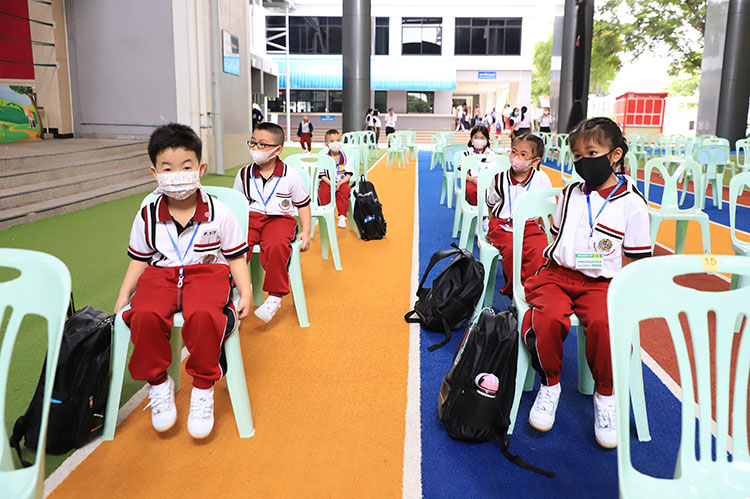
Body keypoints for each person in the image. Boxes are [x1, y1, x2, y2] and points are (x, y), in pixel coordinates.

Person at [114, 123, 252, 439]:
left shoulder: (220, 212)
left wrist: (245, 292)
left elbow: (235, 257)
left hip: (207, 276)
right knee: (143, 314)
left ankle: (203, 387)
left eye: (186, 167)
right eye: (168, 168)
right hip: (160, 276)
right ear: (155, 173)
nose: (177, 175)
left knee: (204, 315)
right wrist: (124, 294)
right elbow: (139, 259)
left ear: (200, 169)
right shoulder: (147, 214)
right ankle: (159, 383)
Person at [521, 117, 651, 449]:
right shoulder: (569, 193)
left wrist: (623, 295)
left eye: (591, 153)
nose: (583, 162)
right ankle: (550, 384)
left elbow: (636, 260)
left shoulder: (633, 203)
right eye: (577, 156)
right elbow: (557, 235)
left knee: (606, 324)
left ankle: (605, 396)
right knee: (547, 317)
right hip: (558, 275)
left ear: (615, 154)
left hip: (602, 282)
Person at [233, 122, 312, 324]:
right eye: (252, 143)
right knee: (235, 246)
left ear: (277, 150)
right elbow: (237, 204)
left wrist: (306, 231)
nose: (255, 148)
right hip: (250, 218)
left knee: (276, 245)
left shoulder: (290, 175)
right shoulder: (243, 174)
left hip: (280, 219)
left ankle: (275, 296)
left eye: (262, 144)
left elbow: (303, 204)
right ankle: (232, 290)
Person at [486, 133, 552, 297]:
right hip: (502, 224)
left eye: (523, 155)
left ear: (535, 161)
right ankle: (514, 289)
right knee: (511, 248)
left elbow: (548, 206)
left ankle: (530, 287)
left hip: (530, 225)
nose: (516, 157)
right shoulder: (499, 179)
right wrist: (491, 226)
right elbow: (491, 204)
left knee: (539, 248)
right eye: (514, 152)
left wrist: (546, 229)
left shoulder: (541, 179)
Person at [318, 129, 354, 228]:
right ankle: (326, 213)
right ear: (326, 144)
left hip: (342, 181)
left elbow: (349, 174)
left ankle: (342, 216)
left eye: (338, 140)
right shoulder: (323, 157)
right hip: (327, 181)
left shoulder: (345, 157)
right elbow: (322, 175)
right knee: (323, 191)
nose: (336, 143)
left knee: (345, 190)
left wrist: (340, 183)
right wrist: (332, 183)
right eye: (332, 141)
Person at [457, 125, 493, 205]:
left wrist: (485, 181)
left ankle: (488, 210)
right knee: (472, 191)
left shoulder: (491, 155)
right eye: (476, 138)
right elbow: (463, 172)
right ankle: (477, 211)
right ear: (471, 139)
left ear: (487, 140)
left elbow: (493, 172)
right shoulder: (466, 154)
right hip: (472, 181)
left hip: (487, 182)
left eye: (482, 138)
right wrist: (473, 179)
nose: (479, 140)